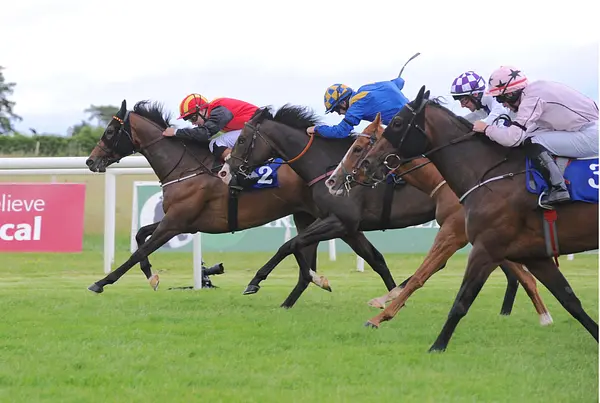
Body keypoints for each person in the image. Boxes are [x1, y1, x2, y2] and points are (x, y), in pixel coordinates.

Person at [472, 66, 599, 205]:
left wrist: (486, 129)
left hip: (590, 135)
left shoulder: (531, 99)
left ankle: (558, 189)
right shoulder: (535, 90)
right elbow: (527, 130)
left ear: (510, 94)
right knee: (530, 136)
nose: (503, 105)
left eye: (500, 99)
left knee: (532, 141)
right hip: (586, 129)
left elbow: (513, 139)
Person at [162, 94, 259, 168]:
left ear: (202, 110)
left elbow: (203, 133)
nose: (193, 123)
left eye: (193, 118)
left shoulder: (219, 110)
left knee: (216, 143)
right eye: (190, 121)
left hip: (259, 130)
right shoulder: (217, 111)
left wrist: (176, 132)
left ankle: (241, 168)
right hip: (256, 129)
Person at [306, 76, 410, 138]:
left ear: (343, 103)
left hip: (406, 129)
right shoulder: (366, 87)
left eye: (336, 110)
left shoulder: (356, 106)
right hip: (415, 113)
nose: (339, 114)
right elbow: (400, 82)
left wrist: (316, 129)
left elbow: (340, 132)